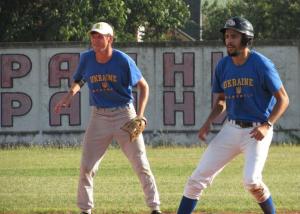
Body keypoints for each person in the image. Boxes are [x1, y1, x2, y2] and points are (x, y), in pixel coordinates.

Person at [177, 17, 289, 214]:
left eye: (234, 36)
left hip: (257, 130)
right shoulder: (223, 66)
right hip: (231, 128)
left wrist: (267, 125)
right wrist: (209, 121)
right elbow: (221, 100)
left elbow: (283, 99)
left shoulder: (261, 64)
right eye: (227, 36)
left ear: (246, 39)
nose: (229, 40)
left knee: (251, 181)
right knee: (196, 180)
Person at [55, 22, 161, 214]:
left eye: (100, 36)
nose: (95, 39)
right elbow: (80, 80)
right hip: (99, 116)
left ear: (110, 39)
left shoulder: (122, 60)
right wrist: (69, 95)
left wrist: (140, 115)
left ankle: (155, 207)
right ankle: (85, 210)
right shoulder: (86, 59)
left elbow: (144, 86)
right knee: (86, 166)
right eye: (93, 36)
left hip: (124, 115)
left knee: (141, 164)